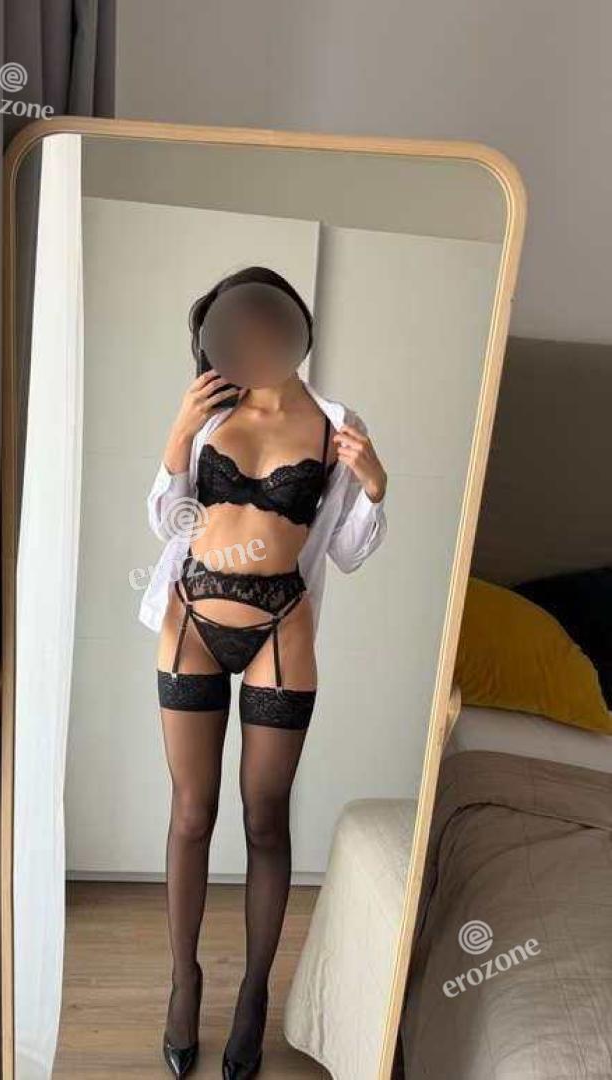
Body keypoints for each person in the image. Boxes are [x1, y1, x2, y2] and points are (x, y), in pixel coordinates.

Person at [138, 267, 388, 1079]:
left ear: (293, 327)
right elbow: (168, 522)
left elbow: (346, 552)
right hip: (191, 621)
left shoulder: (337, 425)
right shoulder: (210, 408)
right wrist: (179, 438)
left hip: (283, 623)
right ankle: (185, 983)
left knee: (266, 820)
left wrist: (374, 485)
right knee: (190, 814)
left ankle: (253, 996)